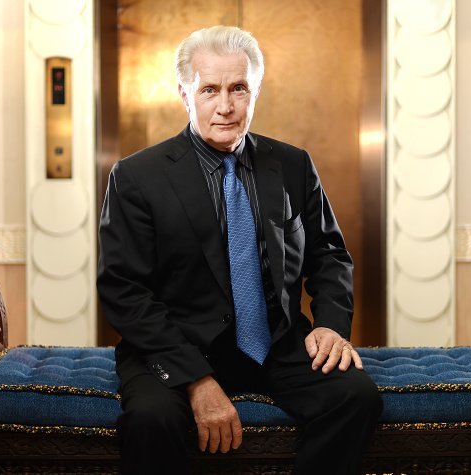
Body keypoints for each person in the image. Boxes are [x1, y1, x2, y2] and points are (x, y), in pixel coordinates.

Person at [97, 25, 382, 475]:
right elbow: (124, 290)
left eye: (238, 89)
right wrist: (196, 380)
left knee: (355, 398)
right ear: (185, 94)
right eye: (209, 89)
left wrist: (330, 325)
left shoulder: (293, 164)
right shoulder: (136, 177)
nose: (225, 106)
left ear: (256, 91)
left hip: (276, 344)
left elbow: (328, 254)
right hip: (173, 348)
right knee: (152, 421)